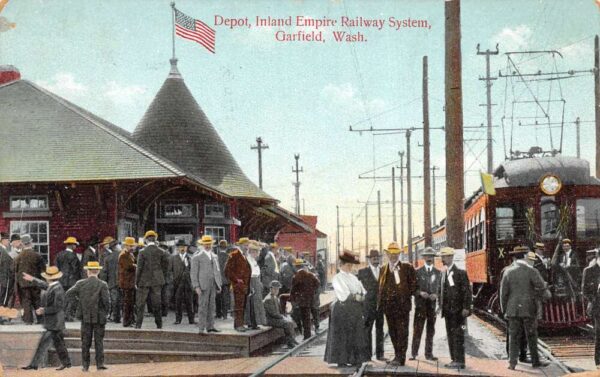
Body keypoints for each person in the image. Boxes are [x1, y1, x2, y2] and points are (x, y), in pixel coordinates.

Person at [501, 246, 549, 370]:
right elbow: (542, 287)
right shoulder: (532, 271)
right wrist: (547, 294)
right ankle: (535, 362)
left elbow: (503, 294)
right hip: (529, 308)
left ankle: (512, 363)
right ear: (524, 256)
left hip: (512, 309)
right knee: (532, 335)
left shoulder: (508, 271)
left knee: (513, 336)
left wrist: (504, 310)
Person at [324, 250, 370, 367]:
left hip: (354, 309)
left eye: (351, 265)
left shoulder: (353, 277)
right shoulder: (337, 278)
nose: (350, 267)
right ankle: (341, 360)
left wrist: (361, 295)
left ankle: (354, 359)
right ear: (341, 265)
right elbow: (343, 294)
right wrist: (356, 296)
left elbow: (363, 290)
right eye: (347, 265)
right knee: (343, 335)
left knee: (356, 333)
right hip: (342, 309)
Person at [21, 267, 72, 371]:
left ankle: (34, 365)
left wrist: (43, 310)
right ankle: (67, 363)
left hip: (55, 323)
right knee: (59, 344)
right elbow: (44, 285)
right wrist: (32, 279)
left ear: (49, 278)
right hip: (54, 322)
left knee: (44, 343)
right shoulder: (53, 286)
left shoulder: (57, 289)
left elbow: (58, 307)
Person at [66, 261, 110, 372]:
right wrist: (107, 313)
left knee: (85, 342)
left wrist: (78, 303)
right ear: (98, 271)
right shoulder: (103, 284)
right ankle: (100, 364)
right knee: (99, 341)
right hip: (99, 317)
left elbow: (68, 294)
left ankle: (85, 366)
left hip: (85, 316)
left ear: (87, 271)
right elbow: (107, 302)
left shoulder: (80, 283)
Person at [377, 242, 416, 366]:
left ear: (399, 254)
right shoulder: (383, 269)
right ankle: (396, 355)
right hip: (388, 308)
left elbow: (414, 286)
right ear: (387, 254)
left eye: (396, 254)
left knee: (402, 332)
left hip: (402, 307)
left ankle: (401, 358)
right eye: (391, 254)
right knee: (393, 332)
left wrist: (404, 295)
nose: (393, 256)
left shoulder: (407, 268)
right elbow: (380, 287)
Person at [439, 246, 472, 369]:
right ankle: (454, 359)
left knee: (458, 336)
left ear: (451, 257)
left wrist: (466, 307)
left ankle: (460, 361)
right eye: (442, 256)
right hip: (447, 311)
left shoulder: (460, 273)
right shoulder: (443, 272)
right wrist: (440, 306)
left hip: (458, 311)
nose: (443, 259)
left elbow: (467, 292)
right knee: (450, 335)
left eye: (445, 256)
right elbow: (441, 291)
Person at [411, 247, 440, 361]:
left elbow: (441, 289)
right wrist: (420, 293)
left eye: (431, 256)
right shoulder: (417, 272)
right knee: (417, 330)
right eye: (427, 256)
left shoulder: (438, 273)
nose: (429, 258)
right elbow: (412, 289)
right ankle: (414, 354)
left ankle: (429, 354)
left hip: (432, 307)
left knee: (430, 331)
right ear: (423, 258)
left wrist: (436, 295)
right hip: (420, 306)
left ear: (434, 258)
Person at [135, 230, 169, 329]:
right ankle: (159, 325)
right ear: (155, 239)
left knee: (140, 304)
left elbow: (139, 268)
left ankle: (138, 325)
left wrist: (136, 282)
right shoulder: (162, 252)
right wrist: (161, 277)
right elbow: (165, 268)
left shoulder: (142, 252)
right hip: (157, 281)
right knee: (157, 303)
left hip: (143, 281)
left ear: (146, 240)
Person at [357, 249, 385, 361]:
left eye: (377, 258)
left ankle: (380, 354)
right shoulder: (362, 272)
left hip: (380, 306)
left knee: (380, 329)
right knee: (367, 330)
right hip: (368, 306)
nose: (376, 259)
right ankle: (366, 356)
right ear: (369, 259)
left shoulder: (384, 271)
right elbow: (358, 287)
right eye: (373, 258)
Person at [191, 235, 222, 334]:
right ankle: (201, 328)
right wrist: (196, 286)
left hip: (213, 284)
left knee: (212, 306)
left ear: (212, 244)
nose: (208, 246)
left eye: (209, 244)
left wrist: (219, 284)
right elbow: (193, 273)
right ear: (202, 245)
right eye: (206, 244)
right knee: (203, 306)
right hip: (203, 285)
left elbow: (217, 271)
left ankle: (210, 326)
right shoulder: (197, 257)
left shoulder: (215, 256)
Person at [14, 234, 45, 325]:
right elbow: (43, 270)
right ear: (31, 243)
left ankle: (28, 321)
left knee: (26, 302)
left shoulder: (18, 257)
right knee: (37, 300)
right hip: (35, 282)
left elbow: (15, 270)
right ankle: (40, 320)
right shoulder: (37, 255)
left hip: (23, 283)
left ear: (22, 244)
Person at [224, 237, 252, 332]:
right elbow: (227, 270)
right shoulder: (234, 255)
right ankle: (238, 325)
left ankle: (240, 324)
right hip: (238, 286)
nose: (247, 247)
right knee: (239, 306)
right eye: (245, 245)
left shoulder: (244, 255)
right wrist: (236, 280)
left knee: (242, 306)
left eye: (248, 245)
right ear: (240, 245)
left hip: (244, 286)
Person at [289, 258, 320, 340]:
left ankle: (306, 335)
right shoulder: (310, 274)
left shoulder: (296, 276)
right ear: (303, 266)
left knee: (304, 317)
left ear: (296, 267)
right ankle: (312, 330)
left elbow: (293, 290)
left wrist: (293, 299)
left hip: (302, 301)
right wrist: (312, 291)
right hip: (311, 299)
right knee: (310, 316)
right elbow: (317, 284)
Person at [263, 280, 298, 349]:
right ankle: (290, 342)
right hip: (270, 320)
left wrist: (285, 314)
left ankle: (292, 340)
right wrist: (282, 317)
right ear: (271, 289)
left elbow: (279, 311)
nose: (277, 291)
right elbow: (273, 313)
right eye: (275, 289)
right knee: (287, 323)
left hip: (275, 318)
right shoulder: (268, 299)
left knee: (290, 320)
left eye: (278, 289)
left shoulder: (275, 297)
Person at [55, 237, 81, 321]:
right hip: (71, 280)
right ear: (72, 245)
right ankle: (68, 316)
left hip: (61, 280)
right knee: (71, 298)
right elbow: (75, 269)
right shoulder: (73, 256)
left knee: (63, 298)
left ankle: (62, 315)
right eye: (75, 245)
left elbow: (56, 268)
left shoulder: (59, 254)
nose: (75, 246)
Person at [582, 248, 600, 369]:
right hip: (598, 306)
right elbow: (585, 291)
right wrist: (594, 298)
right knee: (599, 333)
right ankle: (598, 361)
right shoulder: (589, 271)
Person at [170, 239, 195, 325]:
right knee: (178, 302)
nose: (182, 248)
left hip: (188, 283)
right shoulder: (173, 258)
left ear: (187, 248)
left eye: (184, 247)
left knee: (189, 301)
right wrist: (173, 280)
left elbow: (193, 271)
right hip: (177, 283)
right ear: (177, 248)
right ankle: (178, 319)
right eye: (180, 247)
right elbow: (170, 271)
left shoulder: (190, 258)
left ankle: (191, 319)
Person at [246, 241, 267, 329]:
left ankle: (256, 322)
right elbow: (248, 273)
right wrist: (251, 286)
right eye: (256, 252)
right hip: (252, 281)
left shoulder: (253, 260)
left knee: (257, 302)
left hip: (256, 280)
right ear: (252, 252)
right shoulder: (248, 260)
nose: (258, 254)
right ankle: (253, 323)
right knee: (253, 303)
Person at [100, 237, 121, 323]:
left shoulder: (107, 258)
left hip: (112, 282)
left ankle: (116, 317)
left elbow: (104, 272)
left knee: (114, 300)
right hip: (124, 281)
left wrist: (104, 282)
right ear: (116, 246)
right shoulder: (123, 255)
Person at [118, 237, 137, 328]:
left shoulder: (129, 254)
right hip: (127, 283)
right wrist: (136, 266)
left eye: (133, 245)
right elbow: (128, 266)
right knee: (127, 303)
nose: (132, 247)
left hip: (129, 282)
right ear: (126, 245)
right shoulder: (123, 255)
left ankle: (130, 320)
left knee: (130, 303)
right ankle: (126, 322)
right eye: (130, 246)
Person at [0, 232, 14, 324]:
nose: (9, 242)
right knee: (2, 298)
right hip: (4, 279)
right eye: (7, 240)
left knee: (3, 298)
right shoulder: (1, 250)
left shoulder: (4, 249)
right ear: (3, 240)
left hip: (6, 279)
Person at [216, 240, 230, 319]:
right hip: (226, 281)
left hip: (218, 280)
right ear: (226, 248)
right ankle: (225, 315)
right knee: (225, 298)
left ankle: (218, 314)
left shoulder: (215, 257)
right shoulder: (229, 257)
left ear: (219, 248)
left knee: (218, 298)